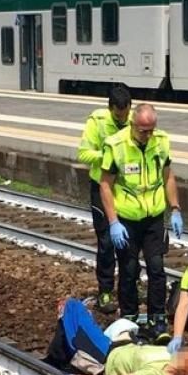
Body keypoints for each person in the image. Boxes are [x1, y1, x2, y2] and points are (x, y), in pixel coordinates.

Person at [99, 103, 183, 343]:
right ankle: (130, 318)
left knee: (157, 268)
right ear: (133, 125)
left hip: (153, 218)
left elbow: (168, 176)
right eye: (143, 130)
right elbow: (105, 185)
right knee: (128, 269)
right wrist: (113, 221)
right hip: (126, 219)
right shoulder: (116, 146)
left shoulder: (161, 142)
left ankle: (157, 319)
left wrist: (175, 208)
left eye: (151, 130)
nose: (147, 135)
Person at [44, 297, 188, 375]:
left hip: (103, 358)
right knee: (77, 311)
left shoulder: (160, 374)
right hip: (117, 345)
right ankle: (62, 352)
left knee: (71, 308)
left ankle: (59, 357)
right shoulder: (171, 355)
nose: (186, 351)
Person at [75, 85, 132, 314]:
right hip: (102, 188)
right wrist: (108, 156)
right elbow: (83, 153)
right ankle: (105, 290)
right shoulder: (97, 122)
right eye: (119, 116)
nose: (123, 119)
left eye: (126, 114)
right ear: (110, 110)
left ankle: (129, 286)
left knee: (129, 241)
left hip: (126, 190)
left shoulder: (134, 122)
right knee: (107, 242)